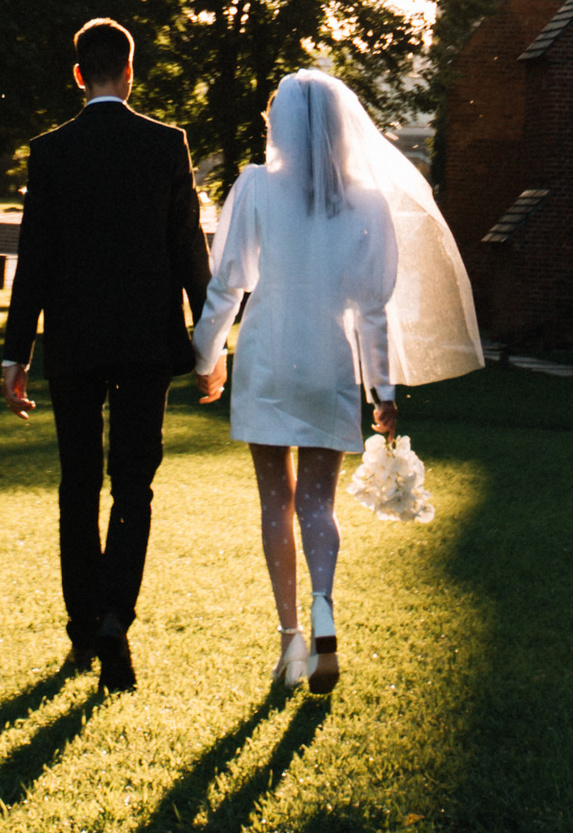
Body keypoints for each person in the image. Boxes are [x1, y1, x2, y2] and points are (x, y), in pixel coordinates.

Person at [193, 70, 484, 697]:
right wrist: (383, 392)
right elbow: (372, 310)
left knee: (276, 501)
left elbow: (229, 283)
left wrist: (205, 354)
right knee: (317, 504)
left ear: (283, 126)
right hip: (330, 361)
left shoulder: (255, 186)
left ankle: (291, 639)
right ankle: (324, 608)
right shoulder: (367, 201)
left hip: (269, 357)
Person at [0, 17, 210, 695]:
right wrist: (209, 344)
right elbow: (189, 248)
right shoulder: (167, 144)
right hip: (147, 342)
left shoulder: (50, 152)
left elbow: (34, 258)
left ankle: (82, 625)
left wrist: (15, 354)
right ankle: (117, 612)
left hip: (75, 342)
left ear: (78, 75)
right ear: (130, 71)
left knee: (78, 485)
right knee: (134, 484)